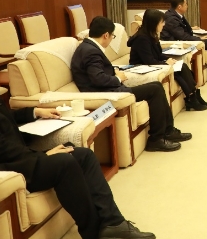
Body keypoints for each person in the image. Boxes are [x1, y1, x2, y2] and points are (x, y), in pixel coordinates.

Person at [0, 39, 156, 239]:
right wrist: (42, 156)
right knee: (65, 162)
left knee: (82, 155)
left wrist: (34, 112)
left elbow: (1, 119)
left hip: (15, 156)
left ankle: (113, 223)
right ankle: (92, 233)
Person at [71, 17, 190, 153]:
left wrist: (114, 71)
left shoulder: (88, 47)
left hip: (110, 89)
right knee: (155, 90)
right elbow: (98, 79)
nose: (111, 39)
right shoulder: (90, 51)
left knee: (156, 86)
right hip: (107, 94)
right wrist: (117, 78)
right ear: (106, 35)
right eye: (113, 36)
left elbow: (97, 72)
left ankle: (168, 131)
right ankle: (156, 139)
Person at [128, 9, 207, 111]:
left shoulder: (152, 34)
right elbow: (149, 60)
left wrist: (168, 59)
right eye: (162, 22)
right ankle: (191, 98)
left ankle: (194, 95)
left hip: (152, 63)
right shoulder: (142, 39)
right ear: (154, 23)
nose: (164, 24)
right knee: (176, 73)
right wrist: (165, 63)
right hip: (142, 67)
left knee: (183, 66)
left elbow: (158, 54)